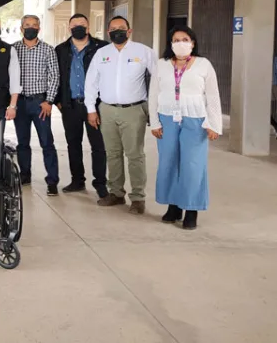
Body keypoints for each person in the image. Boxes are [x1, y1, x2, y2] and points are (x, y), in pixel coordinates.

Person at [149, 26, 222, 231]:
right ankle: (174, 207)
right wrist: (154, 121)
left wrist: (213, 124)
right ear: (170, 44)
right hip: (167, 119)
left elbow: (213, 95)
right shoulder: (162, 65)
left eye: (185, 39)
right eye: (176, 39)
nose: (180, 43)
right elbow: (153, 94)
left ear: (193, 42)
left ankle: (191, 210)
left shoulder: (203, 65)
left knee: (193, 165)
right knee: (169, 163)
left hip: (195, 120)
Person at [85, 15, 156, 215]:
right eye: (113, 28)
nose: (118, 31)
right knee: (113, 153)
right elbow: (91, 82)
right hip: (107, 109)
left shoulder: (143, 52)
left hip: (134, 110)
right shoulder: (101, 53)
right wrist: (91, 109)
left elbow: (159, 79)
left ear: (129, 31)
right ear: (108, 33)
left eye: (121, 28)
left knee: (135, 155)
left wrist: (155, 108)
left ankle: (138, 198)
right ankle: (115, 193)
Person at [55, 13, 109, 199]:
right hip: (70, 105)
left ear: (88, 27)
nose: (78, 27)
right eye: (74, 24)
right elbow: (57, 77)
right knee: (73, 144)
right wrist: (58, 101)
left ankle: (100, 183)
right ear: (69, 28)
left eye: (82, 24)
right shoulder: (61, 49)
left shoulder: (102, 47)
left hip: (95, 106)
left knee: (98, 146)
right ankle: (77, 180)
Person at [12, 15, 60, 196]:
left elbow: (54, 77)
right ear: (21, 28)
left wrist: (49, 101)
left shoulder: (48, 50)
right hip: (20, 102)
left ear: (39, 28)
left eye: (34, 25)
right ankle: (25, 175)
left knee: (47, 142)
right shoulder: (13, 49)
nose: (30, 28)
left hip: (40, 103)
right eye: (27, 25)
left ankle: (52, 181)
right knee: (22, 142)